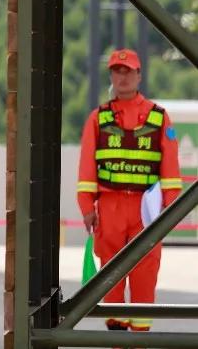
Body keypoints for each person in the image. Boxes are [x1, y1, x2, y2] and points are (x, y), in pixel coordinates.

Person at [77, 48, 182, 339]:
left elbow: (171, 173)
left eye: (128, 71)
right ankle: (117, 341)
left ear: (139, 75)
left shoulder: (160, 119)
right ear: (111, 76)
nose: (122, 77)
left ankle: (138, 341)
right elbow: (87, 169)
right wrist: (86, 207)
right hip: (109, 210)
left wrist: (167, 213)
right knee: (110, 282)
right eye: (116, 71)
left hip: (146, 213)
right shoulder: (98, 119)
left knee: (144, 280)